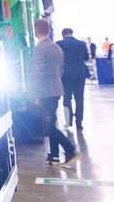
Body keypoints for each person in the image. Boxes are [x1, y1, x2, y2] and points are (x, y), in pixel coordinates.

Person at [31, 19, 79, 163]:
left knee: (49, 126)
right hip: (56, 89)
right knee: (51, 122)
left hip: (45, 91)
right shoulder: (55, 47)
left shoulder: (40, 48)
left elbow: (36, 73)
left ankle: (70, 150)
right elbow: (60, 69)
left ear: (36, 30)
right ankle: (55, 154)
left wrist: (35, 94)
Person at [57, 28, 89, 129]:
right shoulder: (81, 43)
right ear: (72, 33)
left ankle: (68, 121)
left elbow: (57, 59)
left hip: (66, 75)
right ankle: (79, 123)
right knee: (79, 99)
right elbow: (86, 58)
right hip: (80, 74)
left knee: (67, 98)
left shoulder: (59, 44)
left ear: (63, 35)